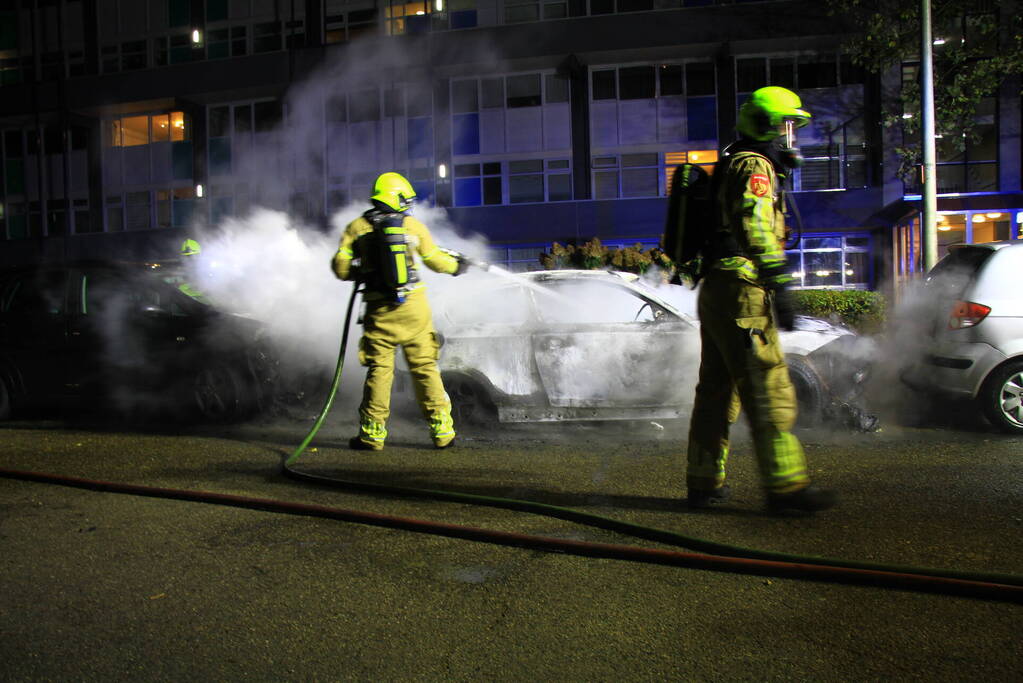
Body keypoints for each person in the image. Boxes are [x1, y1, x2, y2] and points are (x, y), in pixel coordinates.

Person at [685, 86, 837, 513]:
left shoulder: (734, 159)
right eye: (785, 126)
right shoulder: (754, 165)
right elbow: (754, 224)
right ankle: (787, 489)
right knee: (768, 386)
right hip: (743, 292)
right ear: (765, 124)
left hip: (718, 287)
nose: (791, 136)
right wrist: (779, 280)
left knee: (716, 393)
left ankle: (703, 483)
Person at [331, 172, 468, 451]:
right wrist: (458, 266)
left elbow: (340, 268)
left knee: (380, 371)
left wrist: (361, 271)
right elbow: (437, 262)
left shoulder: (356, 227)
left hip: (379, 310)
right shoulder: (412, 226)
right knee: (425, 367)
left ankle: (372, 434)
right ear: (397, 198)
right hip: (414, 308)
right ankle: (442, 431)